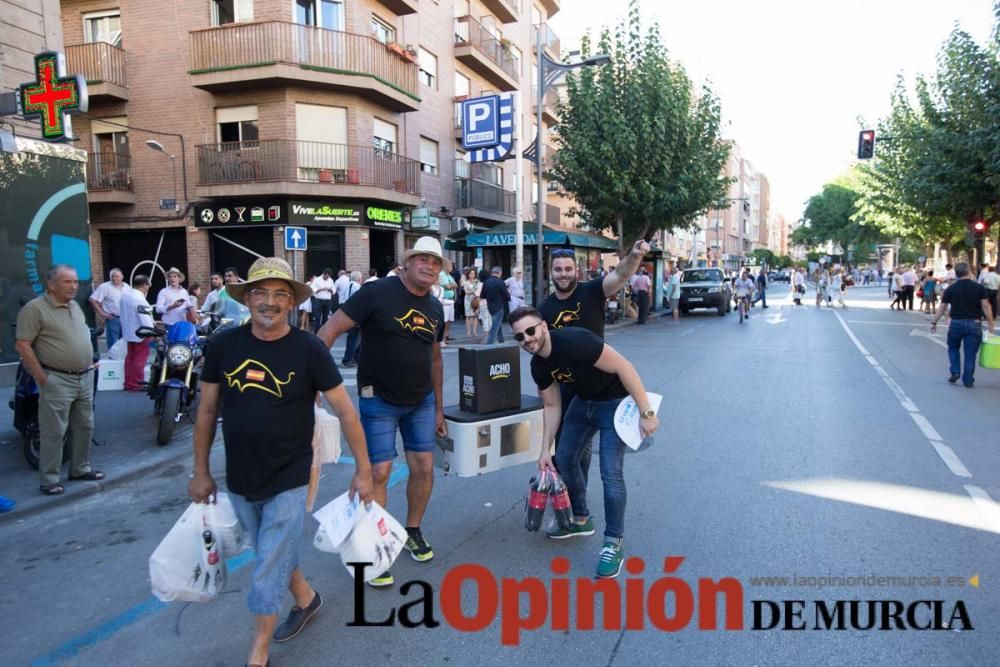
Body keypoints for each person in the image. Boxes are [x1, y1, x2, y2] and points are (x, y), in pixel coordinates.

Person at [190, 257, 373, 667]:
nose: (268, 302)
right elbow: (206, 412)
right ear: (246, 298)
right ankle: (306, 598)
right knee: (270, 549)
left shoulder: (309, 349)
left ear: (291, 302)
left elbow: (346, 412)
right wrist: (200, 471)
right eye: (260, 292)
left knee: (268, 563)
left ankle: (259, 651)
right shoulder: (223, 345)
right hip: (239, 474)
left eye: (279, 294)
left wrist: (363, 471)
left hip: (291, 474)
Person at [318, 236, 448, 588]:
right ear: (408, 262)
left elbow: (435, 359)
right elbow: (329, 330)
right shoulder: (376, 293)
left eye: (435, 262)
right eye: (422, 259)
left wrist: (438, 408)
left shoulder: (435, 308)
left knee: (423, 467)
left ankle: (412, 531)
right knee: (378, 471)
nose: (429, 266)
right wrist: (311, 381)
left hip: (420, 401)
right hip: (378, 399)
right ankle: (370, 546)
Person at [509, 306, 659, 579]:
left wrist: (646, 412)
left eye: (530, 331)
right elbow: (552, 405)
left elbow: (624, 366)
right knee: (564, 458)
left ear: (543, 326)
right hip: (583, 403)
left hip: (614, 403)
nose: (527, 339)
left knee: (610, 473)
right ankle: (580, 519)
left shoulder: (575, 341)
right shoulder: (538, 365)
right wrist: (545, 450)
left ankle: (613, 543)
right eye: (519, 337)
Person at [539, 240, 649, 489]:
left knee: (584, 449)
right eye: (558, 269)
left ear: (575, 270)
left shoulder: (592, 291)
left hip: (601, 386)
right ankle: (569, 495)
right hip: (566, 385)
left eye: (568, 269)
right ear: (551, 272)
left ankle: (577, 490)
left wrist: (634, 255)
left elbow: (621, 274)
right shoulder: (545, 309)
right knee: (564, 445)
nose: (563, 274)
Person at [15, 265, 103, 495]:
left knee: (85, 426)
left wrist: (89, 362)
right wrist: (41, 377)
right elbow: (23, 344)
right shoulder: (35, 309)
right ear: (51, 285)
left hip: (84, 376)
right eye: (67, 282)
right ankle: (49, 479)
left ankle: (80, 468)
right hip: (57, 379)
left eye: (75, 282)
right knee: (54, 431)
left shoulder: (75, 306)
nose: (74, 286)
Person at [930, 262, 995, 388]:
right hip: (974, 323)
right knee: (970, 353)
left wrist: (934, 322)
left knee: (953, 348)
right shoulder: (979, 288)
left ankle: (955, 371)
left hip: (956, 323)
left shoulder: (951, 289)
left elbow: (942, 308)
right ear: (969, 271)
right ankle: (968, 379)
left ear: (956, 274)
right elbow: (986, 306)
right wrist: (991, 323)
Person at [119, 275, 155, 391]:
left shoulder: (124, 296)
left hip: (128, 331)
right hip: (141, 333)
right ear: (145, 284)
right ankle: (137, 383)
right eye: (148, 285)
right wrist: (152, 332)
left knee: (130, 357)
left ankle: (129, 383)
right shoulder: (140, 299)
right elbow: (145, 319)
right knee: (140, 359)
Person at [89, 268, 128, 350]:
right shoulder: (105, 287)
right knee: (113, 343)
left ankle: (122, 361)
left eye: (116, 276)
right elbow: (92, 299)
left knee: (125, 342)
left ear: (122, 277)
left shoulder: (127, 287)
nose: (114, 278)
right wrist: (102, 313)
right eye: (112, 276)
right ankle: (113, 361)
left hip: (125, 319)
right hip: (113, 318)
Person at [482, 266, 510, 344]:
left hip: (490, 306)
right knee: (495, 325)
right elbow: (507, 296)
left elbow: (483, 295)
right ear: (500, 273)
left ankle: (501, 340)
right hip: (498, 306)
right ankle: (490, 343)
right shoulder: (500, 282)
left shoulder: (486, 282)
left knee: (498, 323)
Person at [341, 271, 363, 366]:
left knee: (353, 337)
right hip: (354, 315)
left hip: (348, 313)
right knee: (354, 338)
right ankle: (349, 359)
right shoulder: (356, 286)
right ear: (359, 279)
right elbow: (359, 300)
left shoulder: (348, 285)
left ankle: (353, 358)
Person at [438, 268, 458, 342]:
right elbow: (447, 286)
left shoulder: (449, 276)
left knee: (450, 319)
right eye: (449, 266)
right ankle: (442, 338)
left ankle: (447, 335)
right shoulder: (442, 275)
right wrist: (451, 286)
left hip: (451, 300)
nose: (451, 268)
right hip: (445, 300)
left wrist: (451, 285)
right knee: (445, 320)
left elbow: (456, 285)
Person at [462, 268, 481, 338]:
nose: (472, 275)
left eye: (473, 273)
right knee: (468, 316)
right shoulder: (466, 283)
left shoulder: (477, 282)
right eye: (470, 274)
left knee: (475, 315)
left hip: (475, 299)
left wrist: (474, 291)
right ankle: (468, 332)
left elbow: (479, 291)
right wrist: (473, 291)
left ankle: (474, 331)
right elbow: (466, 292)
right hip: (468, 300)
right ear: (468, 275)